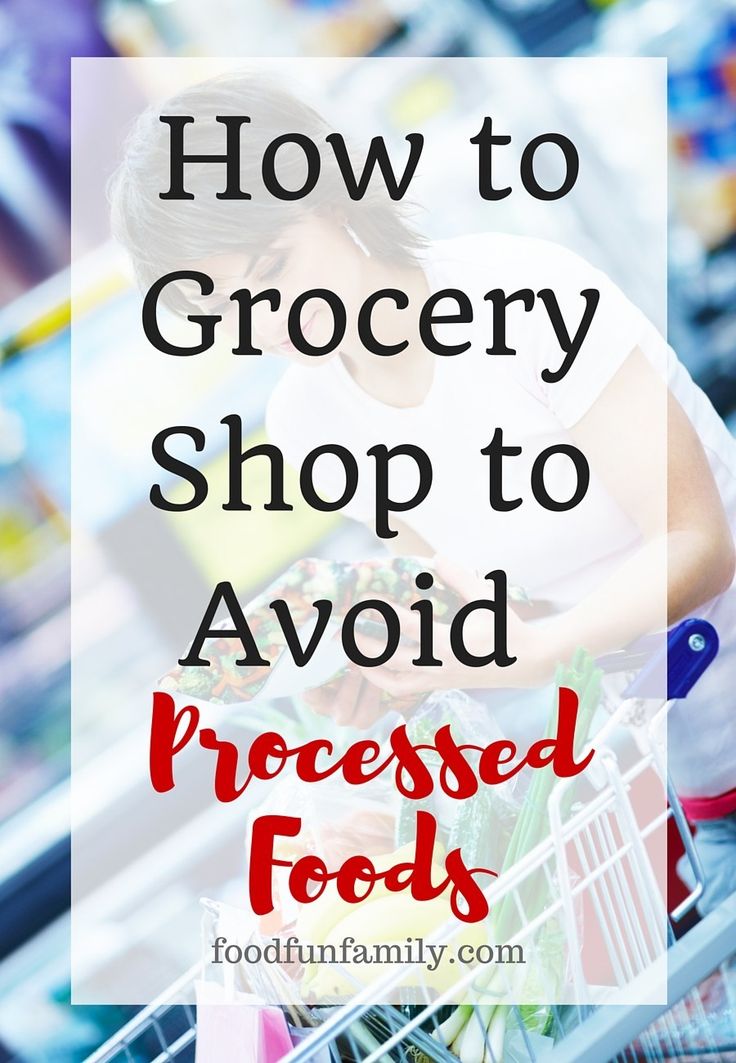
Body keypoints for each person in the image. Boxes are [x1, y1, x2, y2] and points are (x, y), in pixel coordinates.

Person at [110, 72, 736, 916]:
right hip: (685, 786)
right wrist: (381, 671)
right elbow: (470, 601)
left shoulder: (523, 296)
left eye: (274, 267)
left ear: (329, 197)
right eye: (228, 310)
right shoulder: (307, 415)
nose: (272, 318)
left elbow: (697, 543)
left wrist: (539, 653)